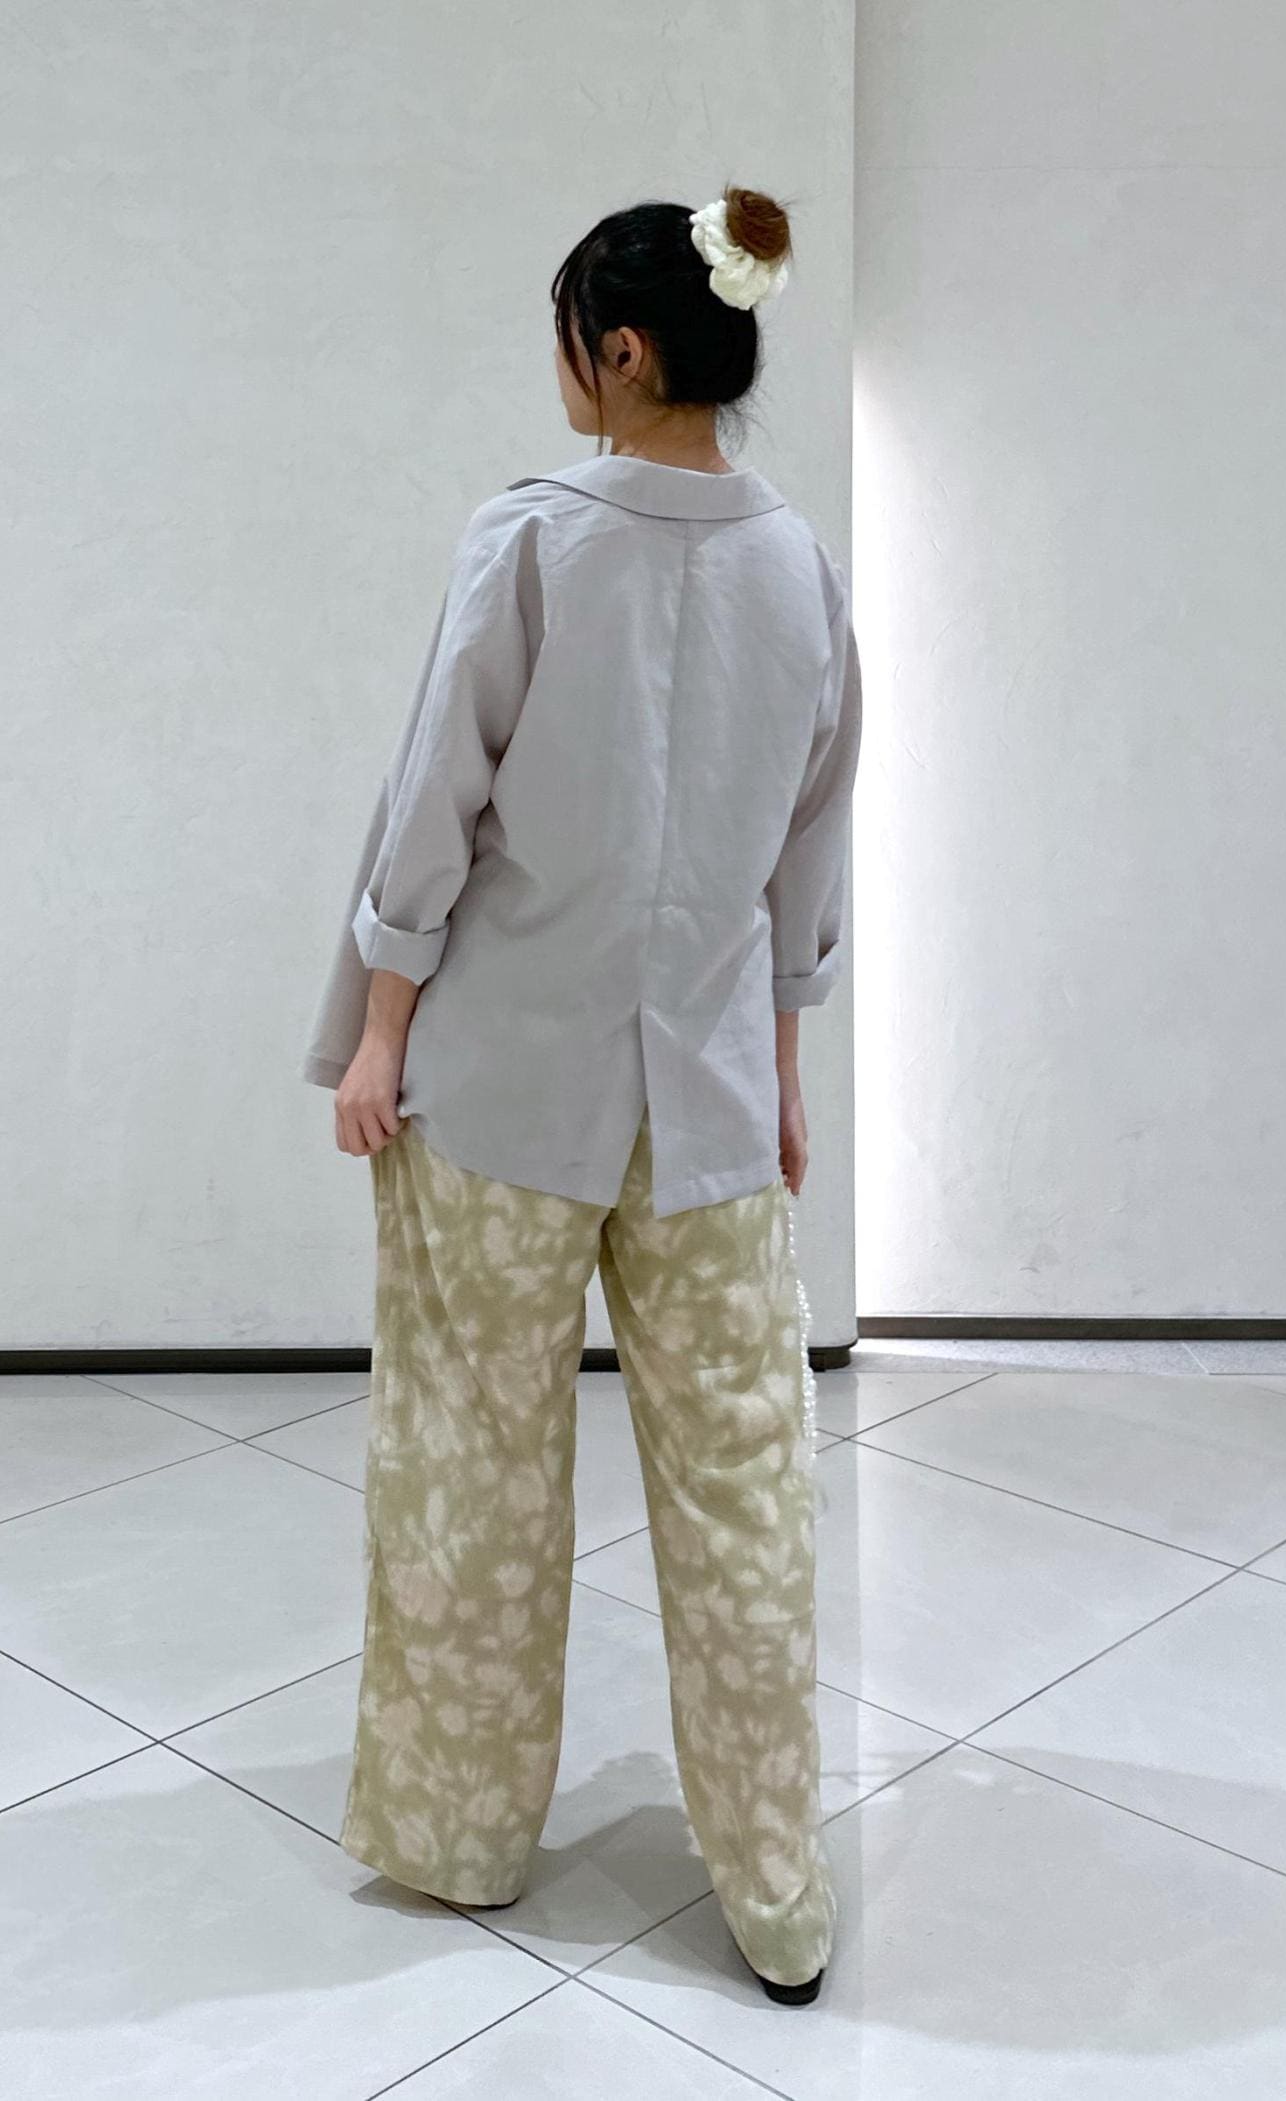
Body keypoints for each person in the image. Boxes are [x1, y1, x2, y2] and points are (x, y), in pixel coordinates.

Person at [300, 182, 862, 2005]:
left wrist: (380, 1031)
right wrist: (780, 1077)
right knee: (746, 1492)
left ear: (618, 352)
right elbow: (805, 858)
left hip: (502, 1096)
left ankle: (462, 1836)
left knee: (470, 1467)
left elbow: (434, 802)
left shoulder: (533, 540)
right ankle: (778, 1890)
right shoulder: (802, 569)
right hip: (706, 1107)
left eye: (568, 337)